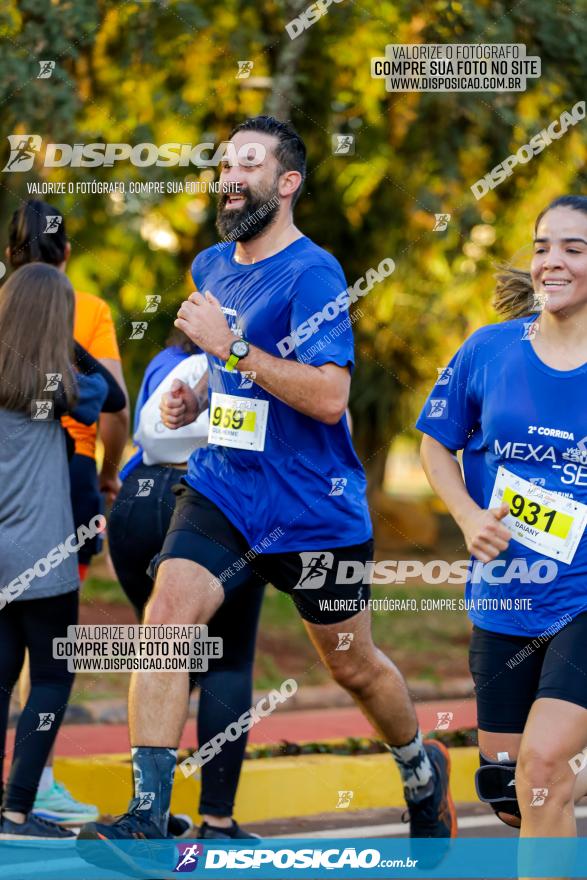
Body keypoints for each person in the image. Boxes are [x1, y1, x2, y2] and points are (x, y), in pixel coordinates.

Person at [79, 116, 456, 855]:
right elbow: (239, 383)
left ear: (286, 184)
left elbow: (326, 398)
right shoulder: (210, 266)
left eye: (248, 163)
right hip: (225, 489)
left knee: (351, 664)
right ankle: (147, 819)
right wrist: (204, 400)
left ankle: (420, 767)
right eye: (224, 163)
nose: (229, 175)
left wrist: (233, 348)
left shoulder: (314, 272)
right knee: (165, 622)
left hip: (314, 511)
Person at [417, 196, 587, 864]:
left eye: (573, 248)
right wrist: (464, 516)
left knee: (541, 768)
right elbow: (436, 444)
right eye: (543, 245)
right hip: (506, 595)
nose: (551, 260)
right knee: (510, 787)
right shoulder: (488, 350)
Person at [107, 329, 264, 839]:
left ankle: (150, 812)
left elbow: (145, 431)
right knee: (228, 658)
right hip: (210, 501)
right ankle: (216, 819)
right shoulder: (244, 364)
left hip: (135, 501)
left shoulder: (164, 363)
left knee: (166, 649)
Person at [6, 200, 129, 827]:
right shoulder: (58, 384)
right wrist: (65, 338)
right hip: (48, 540)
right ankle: (22, 805)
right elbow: (111, 398)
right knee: (52, 674)